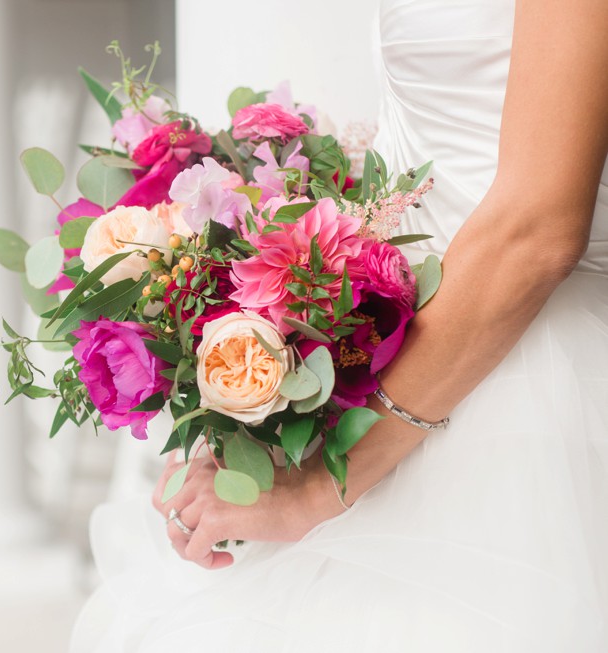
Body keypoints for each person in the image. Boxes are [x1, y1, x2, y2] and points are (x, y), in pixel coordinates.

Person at [70, 0, 608, 650]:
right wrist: (273, 374)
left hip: (522, 385)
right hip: (401, 345)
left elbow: (537, 230)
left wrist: (325, 482)